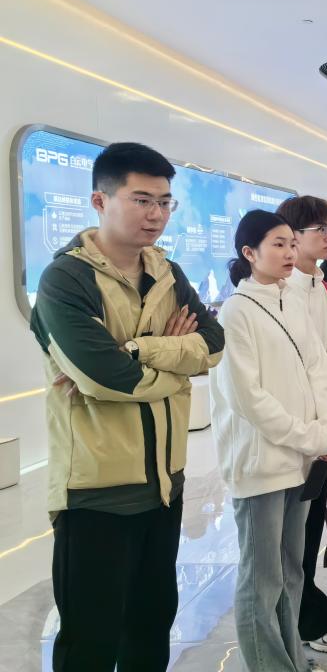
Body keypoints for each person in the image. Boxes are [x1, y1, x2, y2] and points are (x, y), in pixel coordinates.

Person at [29, 142, 225, 671]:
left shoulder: (167, 272)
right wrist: (174, 363)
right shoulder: (65, 279)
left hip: (164, 484)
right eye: (141, 200)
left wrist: (139, 349)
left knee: (151, 623)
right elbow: (104, 377)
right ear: (100, 200)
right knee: (90, 639)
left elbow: (213, 345)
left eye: (164, 202)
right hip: (96, 493)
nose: (156, 214)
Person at [211, 210, 327, 672]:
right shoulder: (237, 311)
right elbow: (249, 399)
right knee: (261, 579)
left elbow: (319, 370)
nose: (290, 253)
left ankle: (291, 658)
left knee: (292, 572)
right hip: (262, 464)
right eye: (278, 244)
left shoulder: (291, 299)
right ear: (249, 253)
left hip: (301, 460)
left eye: (292, 243)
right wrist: (312, 436)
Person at [275, 196, 327, 654]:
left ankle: (302, 614)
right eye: (319, 229)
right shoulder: (275, 289)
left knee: (307, 527)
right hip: (289, 429)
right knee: (284, 537)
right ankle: (297, 621)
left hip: (322, 424)